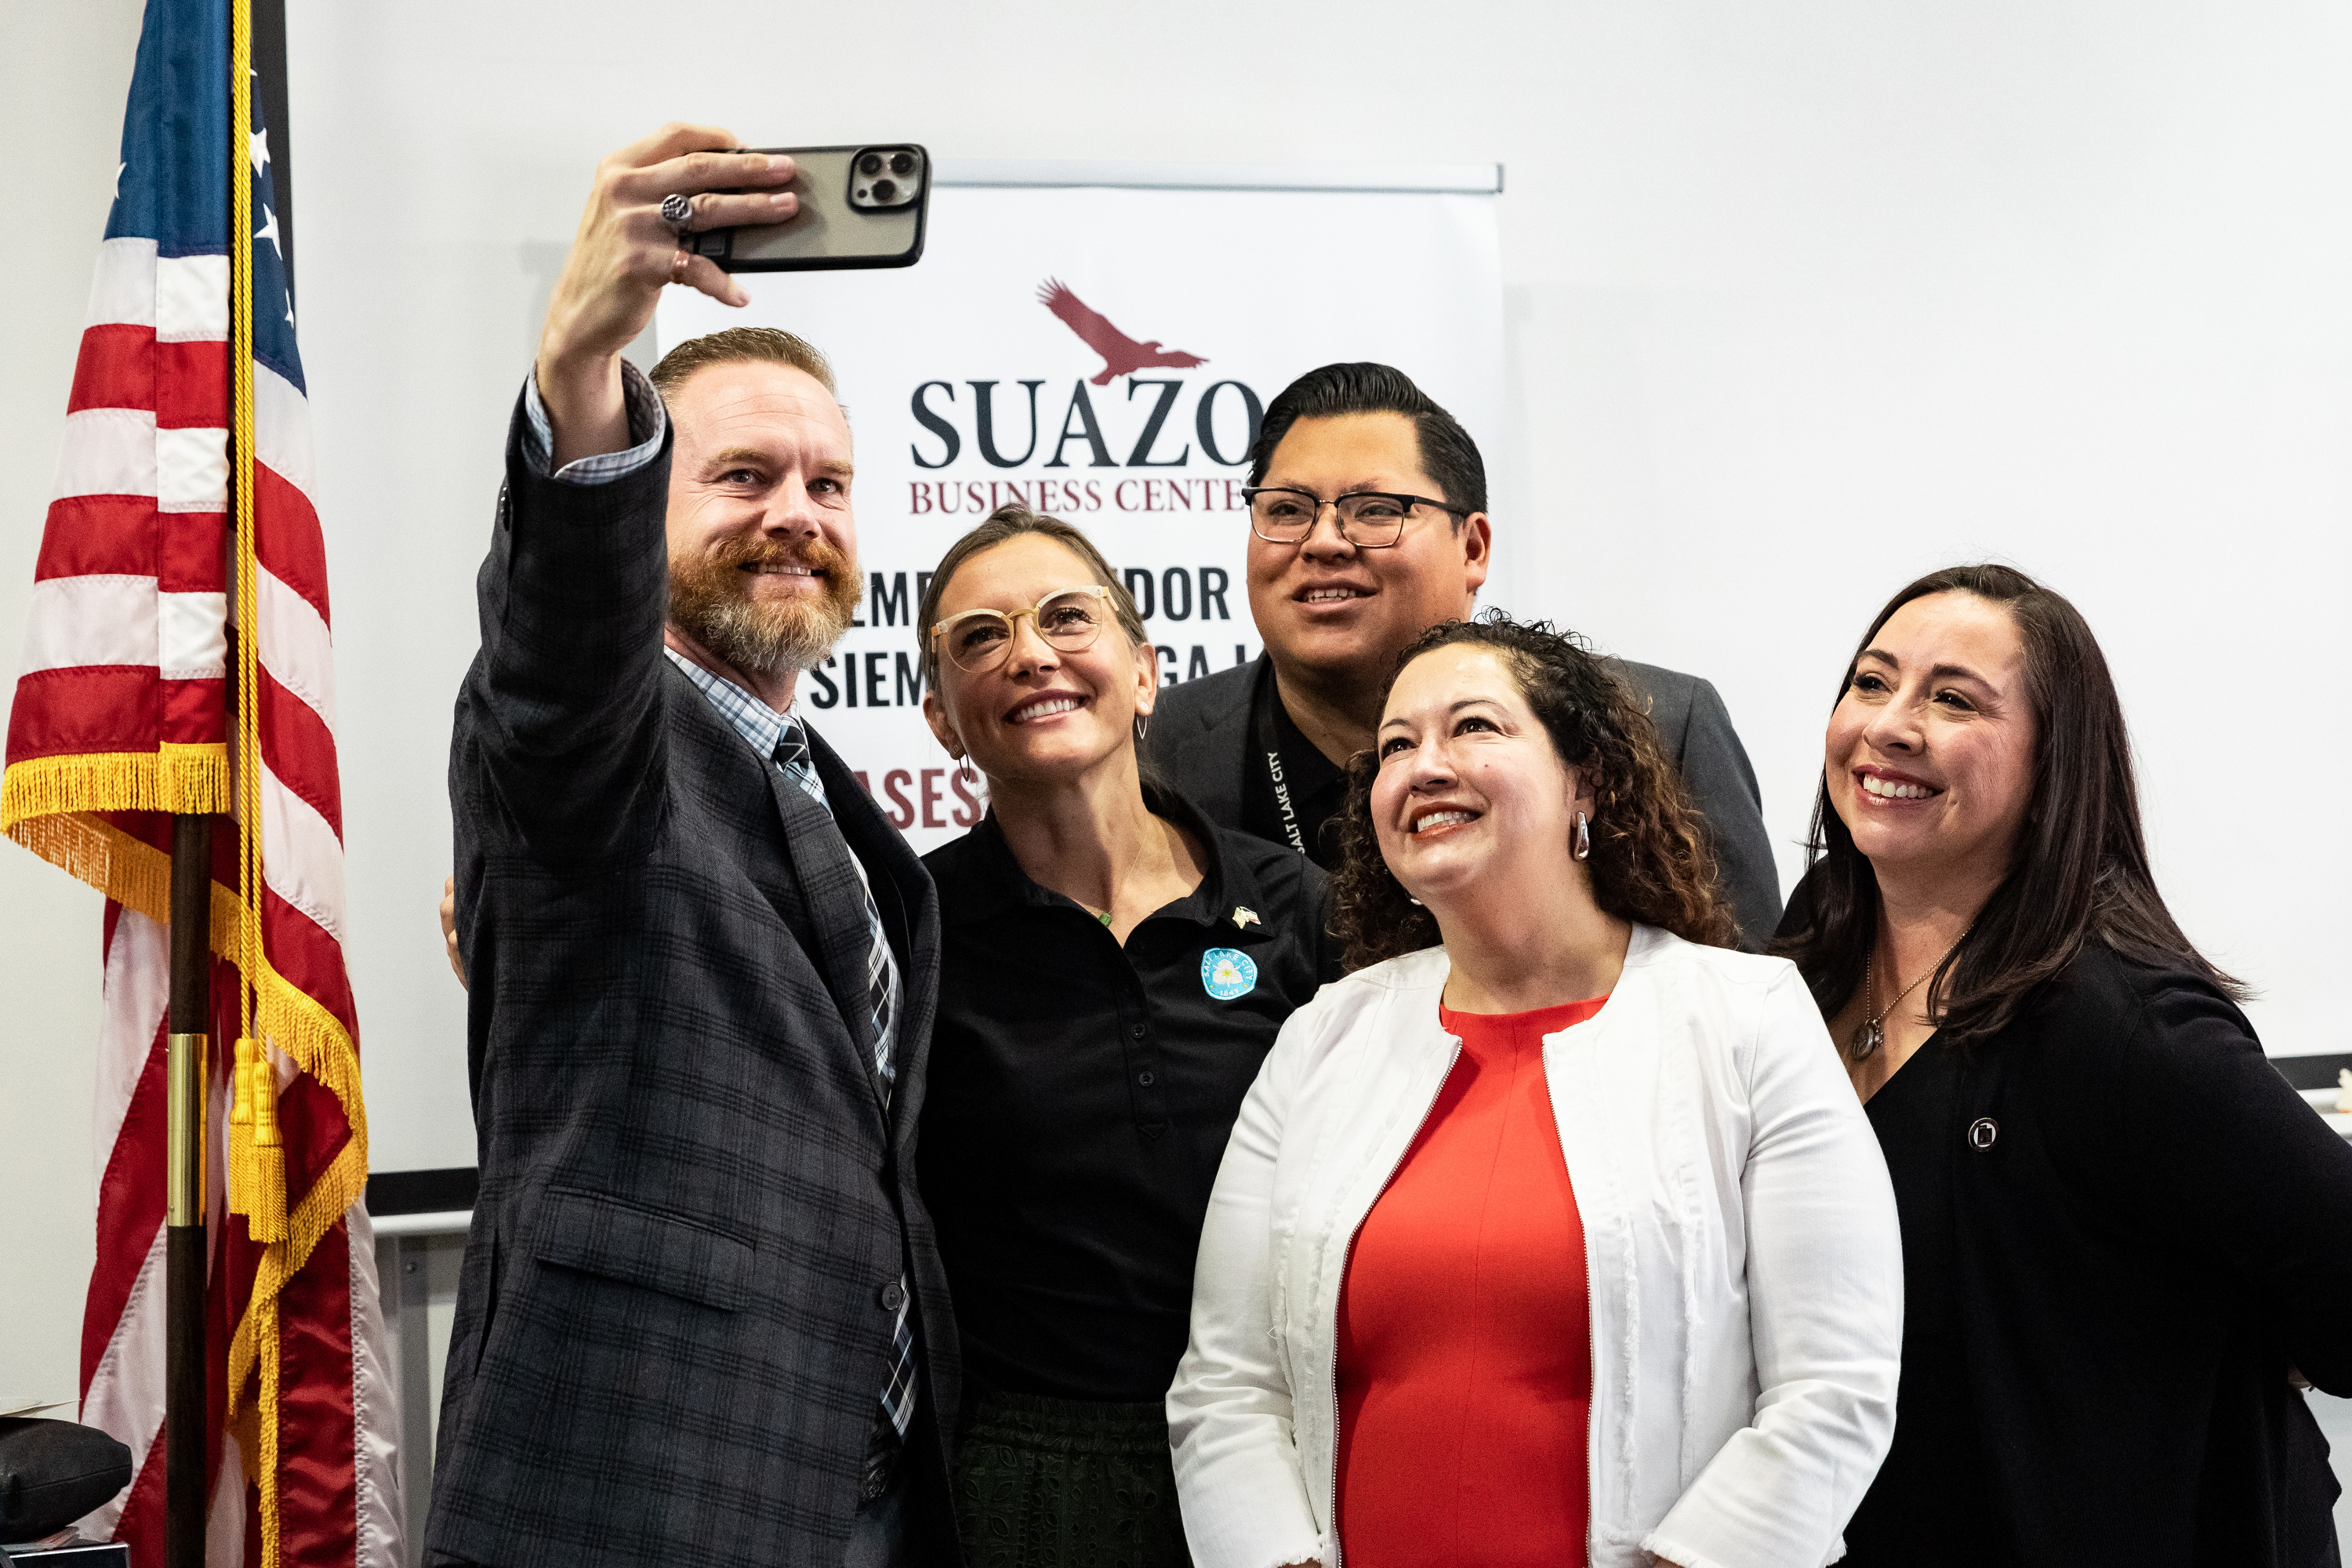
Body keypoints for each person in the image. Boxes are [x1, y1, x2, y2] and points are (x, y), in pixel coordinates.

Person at [431, 125, 959, 1567]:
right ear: (644, 499)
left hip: (865, 1494)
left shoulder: (844, 809)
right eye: (742, 477)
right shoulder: (586, 742)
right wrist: (582, 378)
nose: (797, 514)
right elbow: (554, 668)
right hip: (638, 1484)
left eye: (830, 485)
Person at [1169, 614, 1903, 1568]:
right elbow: (1228, 1384)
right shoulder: (1322, 1037)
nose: (1424, 764)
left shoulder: (1749, 1019)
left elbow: (1833, 1389)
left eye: (1474, 726)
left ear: (1585, 780)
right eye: (1396, 745)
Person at [1773, 564, 2352, 1567]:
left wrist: (2201, 1347)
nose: (1891, 725)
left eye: (1953, 699)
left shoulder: (2115, 1018)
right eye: (1871, 682)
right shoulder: (1817, 942)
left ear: (2054, 763)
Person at [912, 506, 1340, 1567]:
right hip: (1031, 1482)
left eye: (1067, 616)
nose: (1031, 653)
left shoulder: (1301, 910)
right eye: (981, 636)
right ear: (938, 718)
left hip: (1294, 1455)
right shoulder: (909, 933)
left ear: (1145, 672)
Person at [1145, 362, 1784, 949]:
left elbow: (1747, 1020)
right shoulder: (1153, 748)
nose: (1323, 542)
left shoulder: (1661, 725)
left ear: (1473, 548)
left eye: (1375, 511)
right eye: (1286, 509)